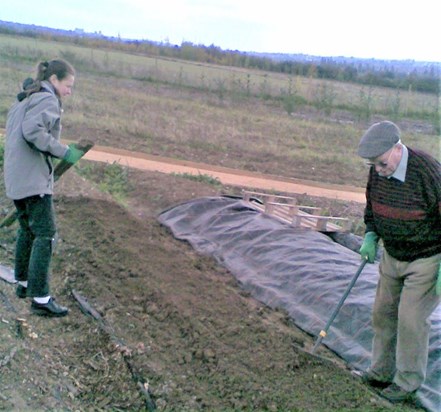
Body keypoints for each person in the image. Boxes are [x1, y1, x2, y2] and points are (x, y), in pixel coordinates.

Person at [357, 120, 441, 403]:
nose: (378, 171)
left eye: (381, 164)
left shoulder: (426, 171)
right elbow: (372, 207)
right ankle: (380, 372)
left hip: (426, 259)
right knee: (382, 313)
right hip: (392, 255)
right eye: (374, 166)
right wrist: (370, 235)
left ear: (396, 148)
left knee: (411, 319)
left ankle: (406, 383)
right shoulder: (377, 173)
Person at [4, 59, 84, 317]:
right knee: (46, 234)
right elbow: (32, 132)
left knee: (27, 230)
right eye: (68, 85)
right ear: (54, 80)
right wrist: (65, 152)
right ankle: (40, 298)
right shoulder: (47, 100)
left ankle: (24, 284)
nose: (70, 91)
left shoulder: (27, 98)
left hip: (16, 177)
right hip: (32, 179)